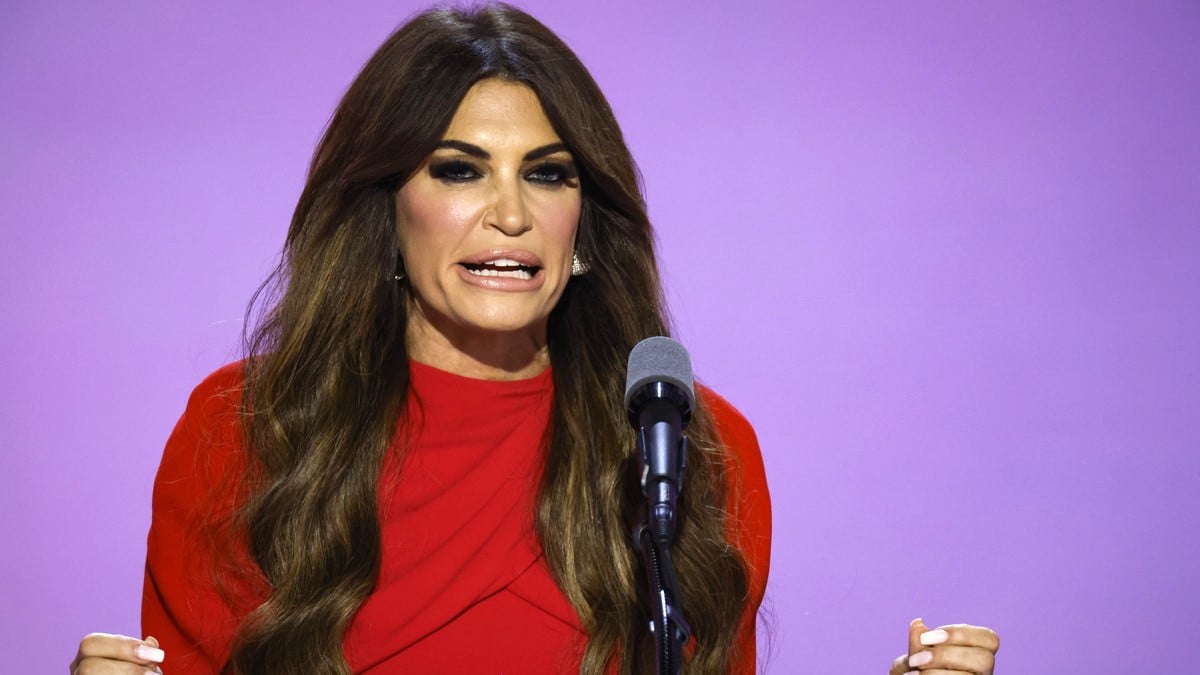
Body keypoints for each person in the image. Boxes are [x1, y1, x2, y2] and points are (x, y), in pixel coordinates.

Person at [70, 4, 997, 674]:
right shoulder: (248, 428)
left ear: (585, 226)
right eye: (460, 170)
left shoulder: (686, 443)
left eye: (548, 175)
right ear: (386, 213)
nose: (510, 213)